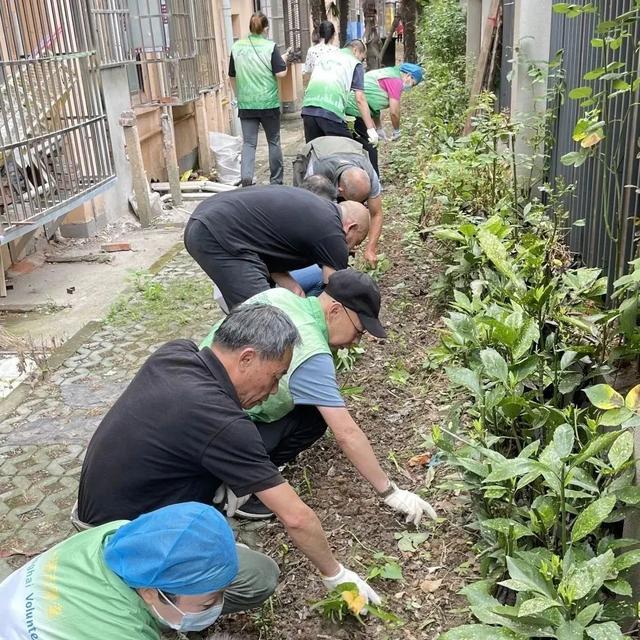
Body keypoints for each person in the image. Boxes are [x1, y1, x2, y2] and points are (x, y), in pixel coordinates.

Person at [76, 305, 382, 609]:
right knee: (258, 577)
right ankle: (151, 604)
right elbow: (297, 517)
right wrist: (335, 574)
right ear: (247, 358)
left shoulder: (176, 353)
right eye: (275, 376)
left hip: (94, 511)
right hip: (120, 540)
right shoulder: (220, 422)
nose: (274, 391)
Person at [201, 269, 438, 526]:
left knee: (312, 412)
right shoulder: (310, 347)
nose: (356, 343)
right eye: (358, 331)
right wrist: (390, 491)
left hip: (201, 398)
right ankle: (241, 484)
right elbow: (346, 432)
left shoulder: (281, 296)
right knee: (317, 417)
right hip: (218, 432)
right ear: (335, 310)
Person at [0, 501, 268, 639]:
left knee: (257, 574)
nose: (218, 605)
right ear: (151, 593)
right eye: (208, 602)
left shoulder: (121, 535)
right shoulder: (117, 633)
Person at [183, 185, 370, 309]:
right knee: (261, 318)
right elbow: (335, 296)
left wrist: (290, 284)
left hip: (205, 221)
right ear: (351, 227)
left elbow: (267, 242)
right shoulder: (333, 233)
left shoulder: (319, 211)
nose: (351, 250)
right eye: (356, 242)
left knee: (261, 314)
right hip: (218, 233)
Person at [293, 135, 384, 266]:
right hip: (318, 154)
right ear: (339, 190)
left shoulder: (368, 173)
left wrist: (371, 249)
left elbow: (376, 214)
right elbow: (311, 217)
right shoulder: (317, 173)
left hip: (349, 150)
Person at [229, 12, 291, 187]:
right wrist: (284, 60)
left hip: (246, 103)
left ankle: (247, 179)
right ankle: (276, 180)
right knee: (273, 140)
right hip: (268, 103)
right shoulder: (270, 47)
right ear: (266, 28)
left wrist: (238, 96)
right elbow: (280, 73)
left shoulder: (237, 47)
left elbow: (232, 76)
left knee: (249, 143)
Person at [345, 62, 424, 175]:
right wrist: (397, 131)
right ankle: (374, 180)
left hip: (353, 106)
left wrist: (379, 127)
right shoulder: (395, 81)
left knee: (360, 142)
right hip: (355, 108)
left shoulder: (389, 73)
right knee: (371, 144)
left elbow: (373, 102)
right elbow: (394, 112)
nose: (411, 87)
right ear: (408, 76)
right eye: (413, 83)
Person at [301, 39, 379, 146]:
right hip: (331, 111)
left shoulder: (325, 57)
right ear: (355, 50)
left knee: (315, 153)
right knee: (346, 152)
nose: (361, 61)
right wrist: (370, 129)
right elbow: (360, 99)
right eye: (362, 58)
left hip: (308, 108)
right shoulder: (354, 63)